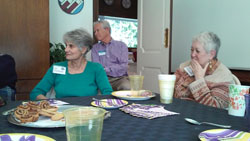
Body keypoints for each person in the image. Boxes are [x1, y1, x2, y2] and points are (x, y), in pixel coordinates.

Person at [30, 29, 113, 100]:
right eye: (66, 45)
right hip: (61, 114)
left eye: (71, 46)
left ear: (83, 49)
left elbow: (108, 93)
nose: (66, 49)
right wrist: (49, 104)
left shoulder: (96, 68)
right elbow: (36, 93)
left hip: (87, 113)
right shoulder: (56, 68)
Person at [174, 32, 234, 109]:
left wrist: (199, 79)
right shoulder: (184, 66)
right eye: (192, 50)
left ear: (211, 54)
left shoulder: (223, 76)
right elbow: (170, 92)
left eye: (197, 51)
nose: (192, 54)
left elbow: (214, 109)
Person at [91, 20, 130, 91]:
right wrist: (113, 68)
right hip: (102, 78)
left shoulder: (121, 46)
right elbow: (98, 68)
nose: (95, 33)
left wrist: (106, 69)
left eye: (97, 30)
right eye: (94, 32)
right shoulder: (95, 48)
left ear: (107, 29)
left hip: (120, 79)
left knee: (127, 87)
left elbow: (124, 66)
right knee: (95, 93)